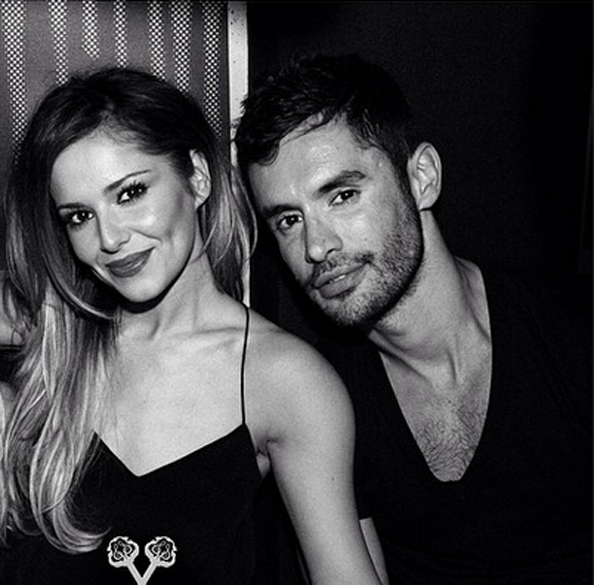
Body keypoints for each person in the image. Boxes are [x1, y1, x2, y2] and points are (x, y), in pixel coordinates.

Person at [0, 66, 388, 585]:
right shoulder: (55, 333)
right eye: (79, 216)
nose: (109, 238)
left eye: (130, 193)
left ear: (197, 176)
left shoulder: (284, 381)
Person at [234, 52, 592, 584]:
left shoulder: (571, 335)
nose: (316, 246)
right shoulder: (325, 398)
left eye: (342, 195)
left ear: (421, 178)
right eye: (289, 220)